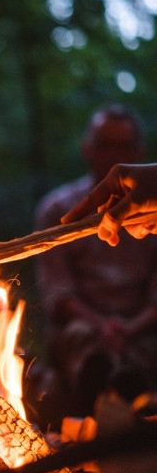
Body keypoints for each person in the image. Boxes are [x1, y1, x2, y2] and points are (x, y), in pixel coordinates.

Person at [33, 105, 157, 421]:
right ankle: (96, 402)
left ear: (139, 151)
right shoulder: (58, 209)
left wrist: (128, 328)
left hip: (142, 325)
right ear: (87, 148)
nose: (113, 155)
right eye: (104, 144)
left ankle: (135, 404)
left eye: (124, 146)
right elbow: (58, 295)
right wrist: (102, 326)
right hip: (84, 326)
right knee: (81, 342)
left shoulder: (151, 208)